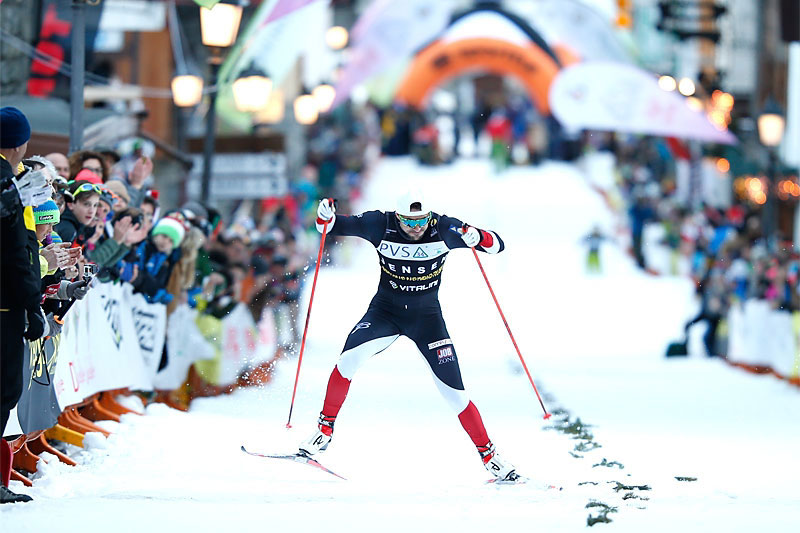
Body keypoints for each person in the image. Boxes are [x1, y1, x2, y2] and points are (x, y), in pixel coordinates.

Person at [298, 189, 520, 481]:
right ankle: (323, 431)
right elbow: (331, 227)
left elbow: (498, 245)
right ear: (397, 216)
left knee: (455, 395)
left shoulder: (444, 227)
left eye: (420, 222)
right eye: (408, 222)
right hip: (385, 313)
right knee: (347, 362)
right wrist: (324, 216)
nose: (415, 228)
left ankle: (490, 456)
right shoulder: (380, 224)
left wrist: (479, 238)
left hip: (426, 320)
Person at [0, 106, 45, 504]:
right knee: (4, 389)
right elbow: (17, 253)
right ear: (20, 144)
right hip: (4, 306)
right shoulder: (7, 185)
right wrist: (33, 304)